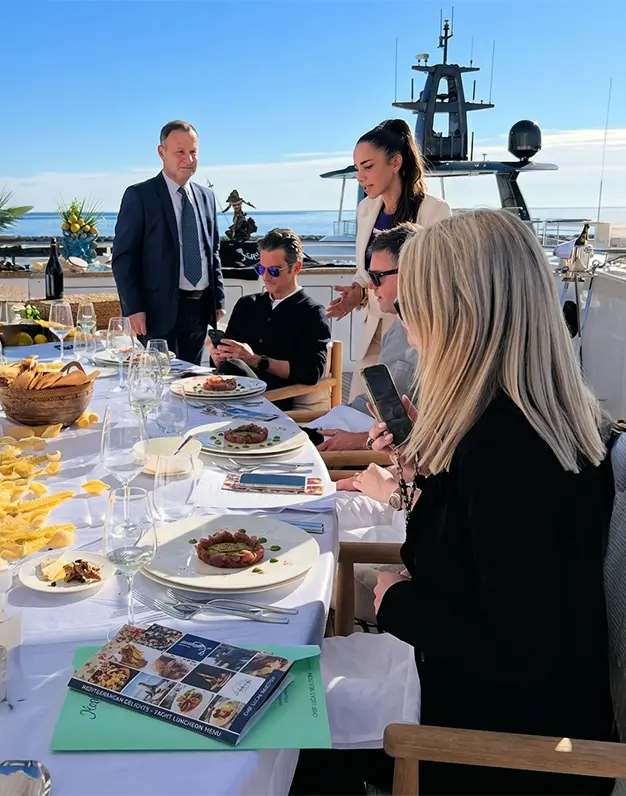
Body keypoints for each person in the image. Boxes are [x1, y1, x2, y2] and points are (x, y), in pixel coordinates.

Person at [292, 209, 617, 796]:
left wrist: (395, 601)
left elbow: (519, 653)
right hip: (470, 692)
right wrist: (424, 475)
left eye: (412, 305)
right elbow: (489, 560)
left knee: (274, 720)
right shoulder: (526, 425)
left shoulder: (511, 450)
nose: (403, 322)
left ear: (461, 314)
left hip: (495, 743)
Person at [325, 118, 450, 401]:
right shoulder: (366, 209)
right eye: (357, 168)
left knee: (400, 411)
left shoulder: (435, 212)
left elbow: (437, 280)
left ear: (395, 162)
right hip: (374, 327)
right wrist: (357, 292)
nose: (360, 177)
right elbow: (367, 271)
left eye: (367, 167)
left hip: (415, 335)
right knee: (364, 408)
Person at [112, 120, 225, 364]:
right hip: (156, 313)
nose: (189, 159)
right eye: (180, 152)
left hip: (199, 310)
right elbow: (124, 257)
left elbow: (212, 251)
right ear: (161, 153)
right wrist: (133, 308)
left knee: (190, 382)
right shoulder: (140, 196)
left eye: (193, 152)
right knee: (158, 382)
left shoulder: (207, 197)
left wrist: (219, 299)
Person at [311, 222, 419, 452]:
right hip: (358, 424)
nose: (370, 285)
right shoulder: (399, 328)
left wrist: (362, 441)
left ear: (411, 272)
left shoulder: (444, 342)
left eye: (377, 277)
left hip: (380, 454)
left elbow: (432, 433)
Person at [207, 228, 331, 410]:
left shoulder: (311, 313)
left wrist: (256, 360)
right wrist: (219, 357)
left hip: (270, 402)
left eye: (273, 270)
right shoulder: (246, 304)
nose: (265, 276)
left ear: (295, 268)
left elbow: (311, 372)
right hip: (231, 394)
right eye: (260, 268)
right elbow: (225, 360)